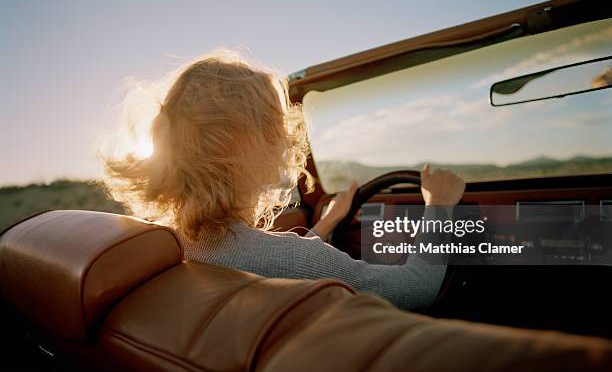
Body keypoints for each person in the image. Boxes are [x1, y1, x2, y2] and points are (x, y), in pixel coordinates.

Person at [101, 53, 465, 310]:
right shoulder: (290, 260)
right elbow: (416, 290)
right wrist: (439, 205)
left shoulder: (158, 243)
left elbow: (273, 260)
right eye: (277, 127)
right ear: (250, 145)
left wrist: (326, 223)